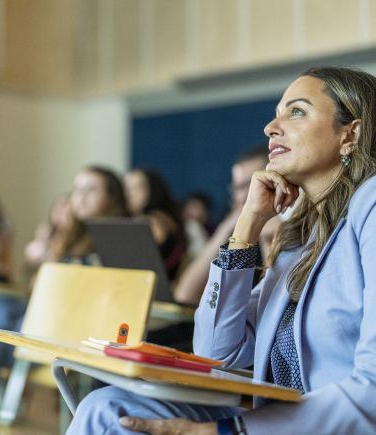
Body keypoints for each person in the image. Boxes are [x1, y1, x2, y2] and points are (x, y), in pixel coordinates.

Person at [68, 66, 376, 434]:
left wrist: (227, 432)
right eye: (276, 113)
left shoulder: (370, 205)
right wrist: (246, 227)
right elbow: (216, 353)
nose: (271, 127)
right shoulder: (300, 239)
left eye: (296, 111)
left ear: (351, 134)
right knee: (107, 408)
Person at [0, 165, 128, 425]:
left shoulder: (122, 239)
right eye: (77, 190)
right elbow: (39, 287)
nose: (80, 197)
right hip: (46, 317)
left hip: (80, 329)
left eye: (91, 190)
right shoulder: (67, 238)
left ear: (112, 197)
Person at [173, 146, 272, 305]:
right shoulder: (234, 230)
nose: (240, 196)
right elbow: (185, 294)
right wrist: (227, 227)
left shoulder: (280, 229)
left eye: (248, 185)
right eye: (236, 188)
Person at [123, 169, 187, 281]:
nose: (128, 194)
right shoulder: (164, 217)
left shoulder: (152, 221)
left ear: (153, 190)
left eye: (135, 188)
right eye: (125, 188)